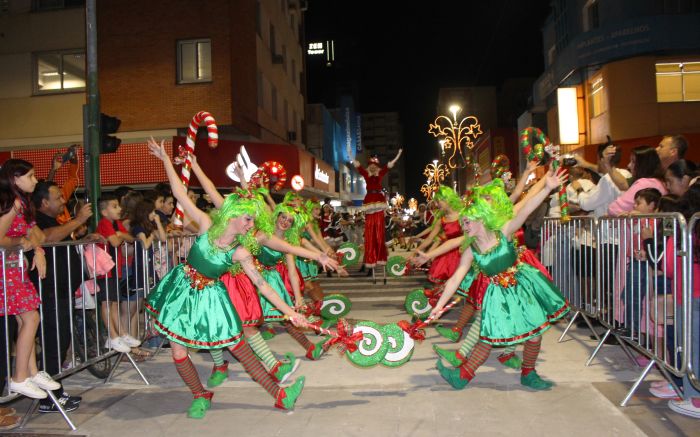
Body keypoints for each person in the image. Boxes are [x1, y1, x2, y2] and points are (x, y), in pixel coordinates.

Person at [146, 138, 311, 418]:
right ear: (233, 216)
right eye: (247, 219)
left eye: (251, 220)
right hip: (182, 289)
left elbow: (261, 285)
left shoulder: (240, 252)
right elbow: (180, 194)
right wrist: (164, 159)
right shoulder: (207, 226)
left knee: (240, 347)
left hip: (212, 297)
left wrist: (289, 312)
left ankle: (281, 394)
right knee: (177, 350)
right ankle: (200, 394)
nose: (250, 224)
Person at [430, 168, 569, 390]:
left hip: (522, 286)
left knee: (535, 334)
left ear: (482, 219)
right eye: (463, 223)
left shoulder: (503, 232)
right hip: (496, 295)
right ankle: (462, 376)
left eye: (468, 222)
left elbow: (526, 208)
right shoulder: (471, 250)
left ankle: (528, 373)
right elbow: (456, 278)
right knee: (487, 338)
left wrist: (548, 188)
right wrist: (439, 306)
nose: (465, 227)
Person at [29, 180, 92, 412]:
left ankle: (55, 391)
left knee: (61, 341)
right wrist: (77, 220)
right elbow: (48, 237)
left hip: (62, 292)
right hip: (49, 293)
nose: (63, 201)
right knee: (54, 343)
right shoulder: (36, 221)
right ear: (44, 202)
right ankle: (49, 397)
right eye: (57, 198)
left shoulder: (52, 219)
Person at [0, 159, 60, 400]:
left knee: (27, 318)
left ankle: (31, 372)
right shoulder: (13, 203)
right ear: (15, 179)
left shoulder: (22, 203)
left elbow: (36, 234)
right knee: (31, 316)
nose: (35, 180)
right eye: (31, 176)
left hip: (15, 268)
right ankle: (19, 377)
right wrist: (21, 243)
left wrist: (36, 249)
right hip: (6, 268)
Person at [95, 193, 137, 354]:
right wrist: (119, 236)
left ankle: (122, 334)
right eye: (115, 206)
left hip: (114, 269)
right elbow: (115, 241)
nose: (119, 209)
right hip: (104, 270)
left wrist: (119, 235)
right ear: (105, 211)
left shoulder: (116, 223)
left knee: (113, 303)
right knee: (106, 303)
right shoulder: (105, 223)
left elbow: (130, 238)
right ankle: (112, 336)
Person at [352, 149, 402, 276]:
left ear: (377, 167)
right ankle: (368, 262)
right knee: (369, 235)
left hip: (378, 201)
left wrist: (398, 155)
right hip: (369, 200)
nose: (373, 167)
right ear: (369, 167)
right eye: (371, 166)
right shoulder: (366, 174)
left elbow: (389, 165)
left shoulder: (380, 174)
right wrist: (349, 153)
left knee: (379, 232)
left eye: (375, 166)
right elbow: (357, 165)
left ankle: (377, 259)